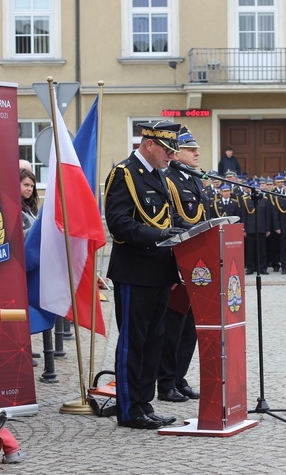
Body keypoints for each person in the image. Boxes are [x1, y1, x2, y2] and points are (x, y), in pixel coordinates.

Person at [104, 121, 184, 430]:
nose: (171, 156)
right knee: (133, 342)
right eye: (167, 149)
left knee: (154, 340)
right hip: (135, 271)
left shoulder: (158, 176)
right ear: (148, 144)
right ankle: (129, 409)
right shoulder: (124, 174)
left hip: (160, 271)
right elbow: (119, 223)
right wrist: (161, 233)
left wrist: (186, 232)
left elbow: (170, 217)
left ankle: (144, 403)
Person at [158, 126, 206, 403]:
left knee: (190, 328)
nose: (197, 153)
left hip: (198, 261)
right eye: (190, 149)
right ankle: (165, 382)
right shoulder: (168, 181)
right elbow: (171, 221)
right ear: (175, 153)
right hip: (178, 261)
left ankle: (179, 377)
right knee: (173, 327)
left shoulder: (194, 179)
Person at [20, 169, 39, 238]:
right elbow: (18, 237)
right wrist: (39, 226)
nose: (30, 189)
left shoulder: (28, 206)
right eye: (26, 185)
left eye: (32, 186)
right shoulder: (11, 208)